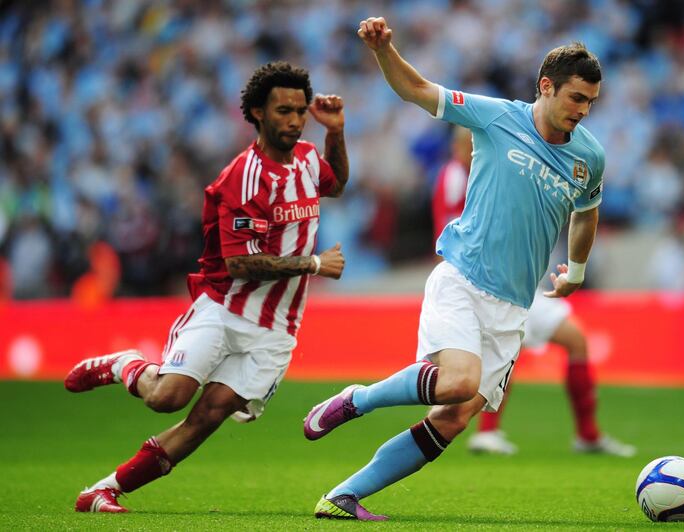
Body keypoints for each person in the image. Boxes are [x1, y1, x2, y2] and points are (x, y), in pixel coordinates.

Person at [304, 16, 605, 521]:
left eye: (591, 102)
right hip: (463, 279)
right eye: (576, 98)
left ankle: (342, 497)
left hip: (513, 306)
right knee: (459, 381)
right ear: (546, 87)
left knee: (452, 417)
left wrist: (576, 268)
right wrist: (384, 51)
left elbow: (587, 210)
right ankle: (358, 399)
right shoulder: (495, 118)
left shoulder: (589, 156)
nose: (583, 110)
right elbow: (418, 88)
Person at [64, 61, 349, 513]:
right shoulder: (243, 177)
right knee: (166, 398)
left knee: (207, 418)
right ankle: (125, 365)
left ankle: (103, 491)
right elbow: (240, 263)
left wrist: (335, 132)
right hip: (224, 308)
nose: (295, 120)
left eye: (300, 111)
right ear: (257, 112)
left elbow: (335, 184)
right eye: (283, 111)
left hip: (277, 329)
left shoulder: (310, 159)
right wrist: (313, 263)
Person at [434, 126, 635, 457]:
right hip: (488, 278)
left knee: (560, 342)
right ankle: (488, 431)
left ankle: (581, 434)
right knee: (509, 353)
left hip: (518, 279)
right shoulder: (459, 177)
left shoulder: (479, 173)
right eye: (466, 144)